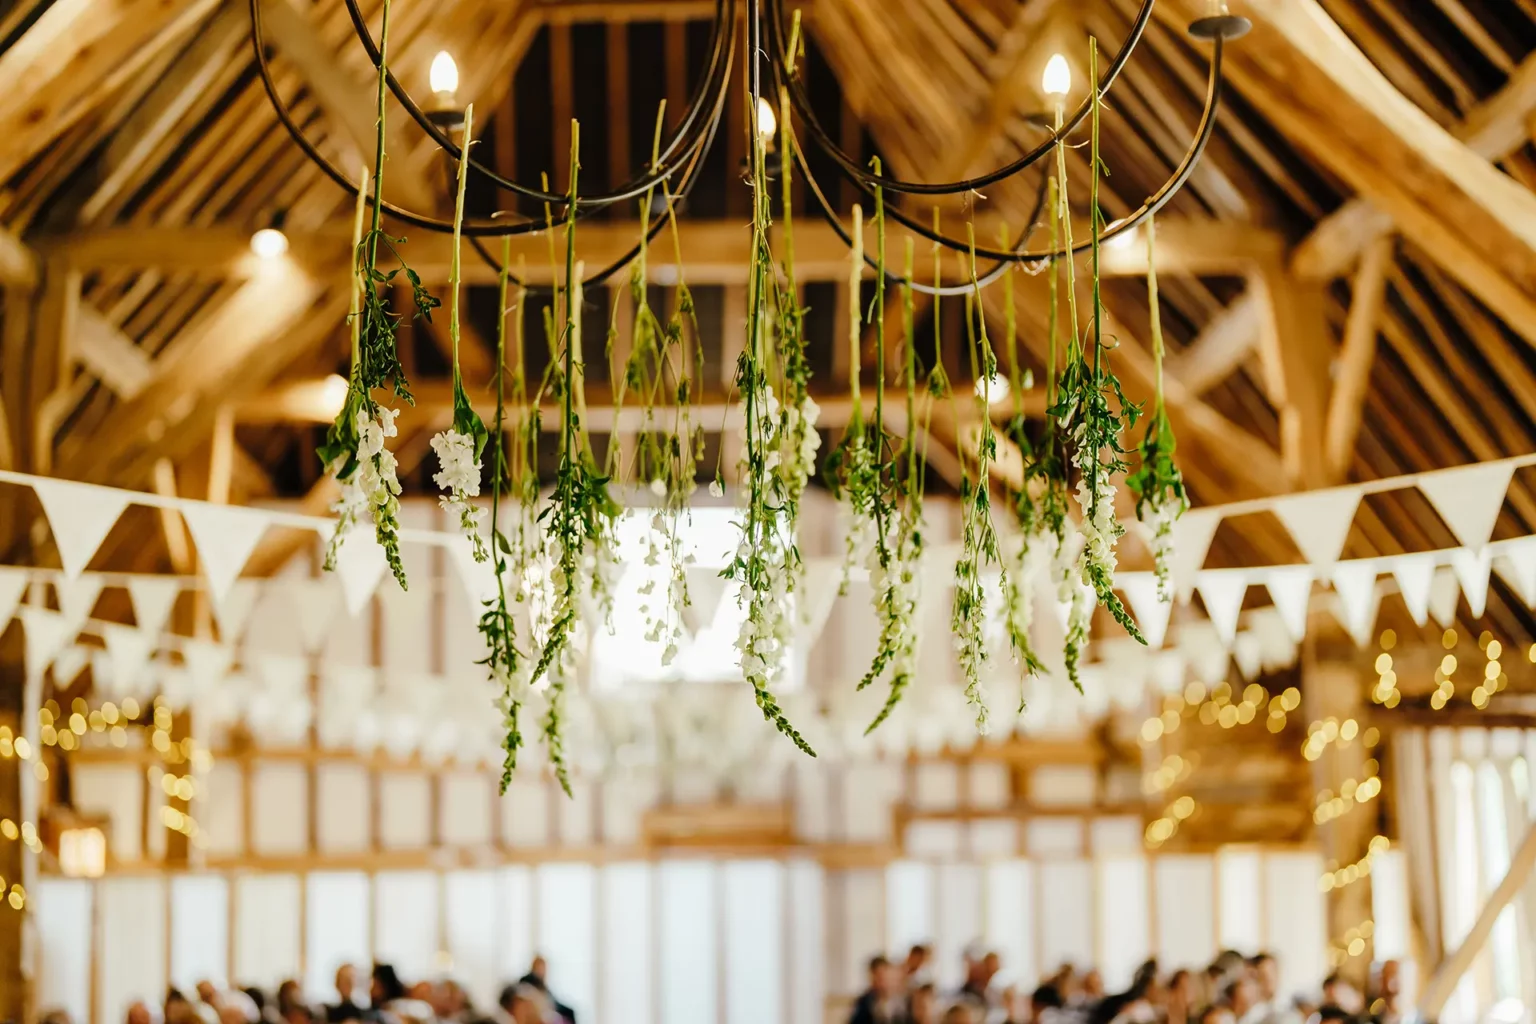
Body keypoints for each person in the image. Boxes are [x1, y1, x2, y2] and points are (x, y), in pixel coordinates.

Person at [518, 956, 576, 1024]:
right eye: (540, 967)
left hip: (549, 1006)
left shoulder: (543, 984)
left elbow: (551, 999)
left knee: (569, 1012)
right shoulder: (528, 981)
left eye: (543, 968)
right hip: (541, 1008)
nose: (542, 970)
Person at [850, 955, 904, 1024]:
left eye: (883, 976)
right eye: (877, 977)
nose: (881, 982)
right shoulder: (864, 1002)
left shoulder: (905, 1002)